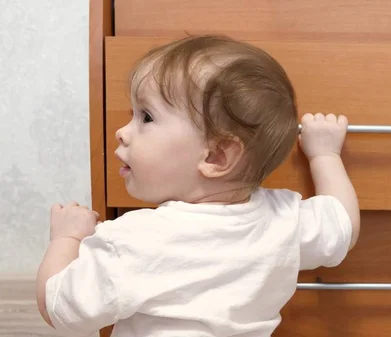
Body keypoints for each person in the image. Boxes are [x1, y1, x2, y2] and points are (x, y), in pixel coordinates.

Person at [36, 35, 360, 337]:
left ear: (217, 156)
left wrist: (67, 236)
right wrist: (325, 155)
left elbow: (60, 309)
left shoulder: (135, 239)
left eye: (146, 117)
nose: (122, 131)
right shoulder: (285, 221)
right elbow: (342, 226)